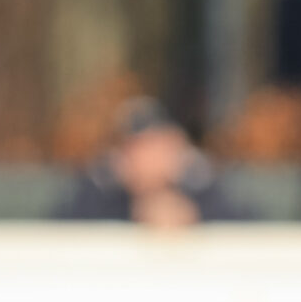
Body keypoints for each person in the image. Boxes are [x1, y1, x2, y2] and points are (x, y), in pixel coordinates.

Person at [53, 97, 247, 227]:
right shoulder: (100, 190)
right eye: (135, 148)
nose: (146, 160)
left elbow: (244, 226)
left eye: (155, 147)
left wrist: (193, 216)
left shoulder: (204, 187)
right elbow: (60, 227)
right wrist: (135, 212)